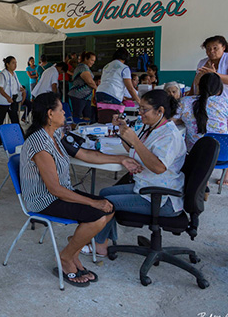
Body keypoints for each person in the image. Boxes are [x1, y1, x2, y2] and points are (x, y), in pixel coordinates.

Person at [21, 92, 141, 286]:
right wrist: (93, 202)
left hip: (61, 193)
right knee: (98, 213)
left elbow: (85, 154)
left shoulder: (55, 135)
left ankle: (73, 252)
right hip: (44, 200)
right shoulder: (40, 143)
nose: (64, 113)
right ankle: (66, 258)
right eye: (61, 110)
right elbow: (55, 190)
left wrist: (121, 159)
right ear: (50, 114)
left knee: (109, 209)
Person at [91, 90, 186, 257]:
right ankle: (105, 239)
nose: (140, 114)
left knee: (105, 202)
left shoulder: (170, 135)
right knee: (104, 193)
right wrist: (123, 132)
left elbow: (158, 167)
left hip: (162, 198)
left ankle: (99, 246)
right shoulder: (152, 128)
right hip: (147, 186)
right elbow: (136, 151)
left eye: (144, 109)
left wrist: (134, 139)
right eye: (139, 109)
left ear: (160, 111)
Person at [174, 73, 228, 152]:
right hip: (224, 155)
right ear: (220, 90)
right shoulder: (225, 102)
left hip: (196, 157)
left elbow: (171, 121)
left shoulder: (185, 101)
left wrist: (186, 119)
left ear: (198, 86)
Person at [96, 48, 140, 122]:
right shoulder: (124, 68)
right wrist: (139, 102)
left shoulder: (106, 66)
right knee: (114, 120)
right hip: (112, 94)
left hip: (100, 93)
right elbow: (130, 88)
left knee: (103, 117)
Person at [0, 56, 26, 147]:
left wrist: (22, 90)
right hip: (3, 101)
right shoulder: (2, 74)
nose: (15, 65)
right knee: (0, 120)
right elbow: (0, 88)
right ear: (7, 64)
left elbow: (17, 85)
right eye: (13, 63)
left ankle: (20, 138)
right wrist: (7, 97)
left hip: (13, 100)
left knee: (15, 119)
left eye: (16, 63)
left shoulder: (14, 74)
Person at [68, 52, 97, 120]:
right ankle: (74, 129)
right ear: (86, 59)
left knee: (87, 116)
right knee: (77, 116)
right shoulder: (82, 67)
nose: (93, 62)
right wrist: (97, 89)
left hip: (86, 97)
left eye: (94, 61)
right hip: (78, 95)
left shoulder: (86, 67)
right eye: (92, 60)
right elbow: (89, 81)